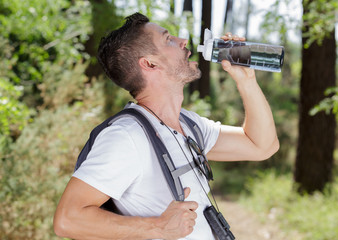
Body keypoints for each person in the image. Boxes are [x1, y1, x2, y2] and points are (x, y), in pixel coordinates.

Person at [53, 12, 279, 240]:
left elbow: (261, 146)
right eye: (168, 38)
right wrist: (158, 228)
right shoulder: (127, 137)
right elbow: (67, 219)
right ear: (150, 63)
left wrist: (246, 80)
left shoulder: (189, 124)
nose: (182, 41)